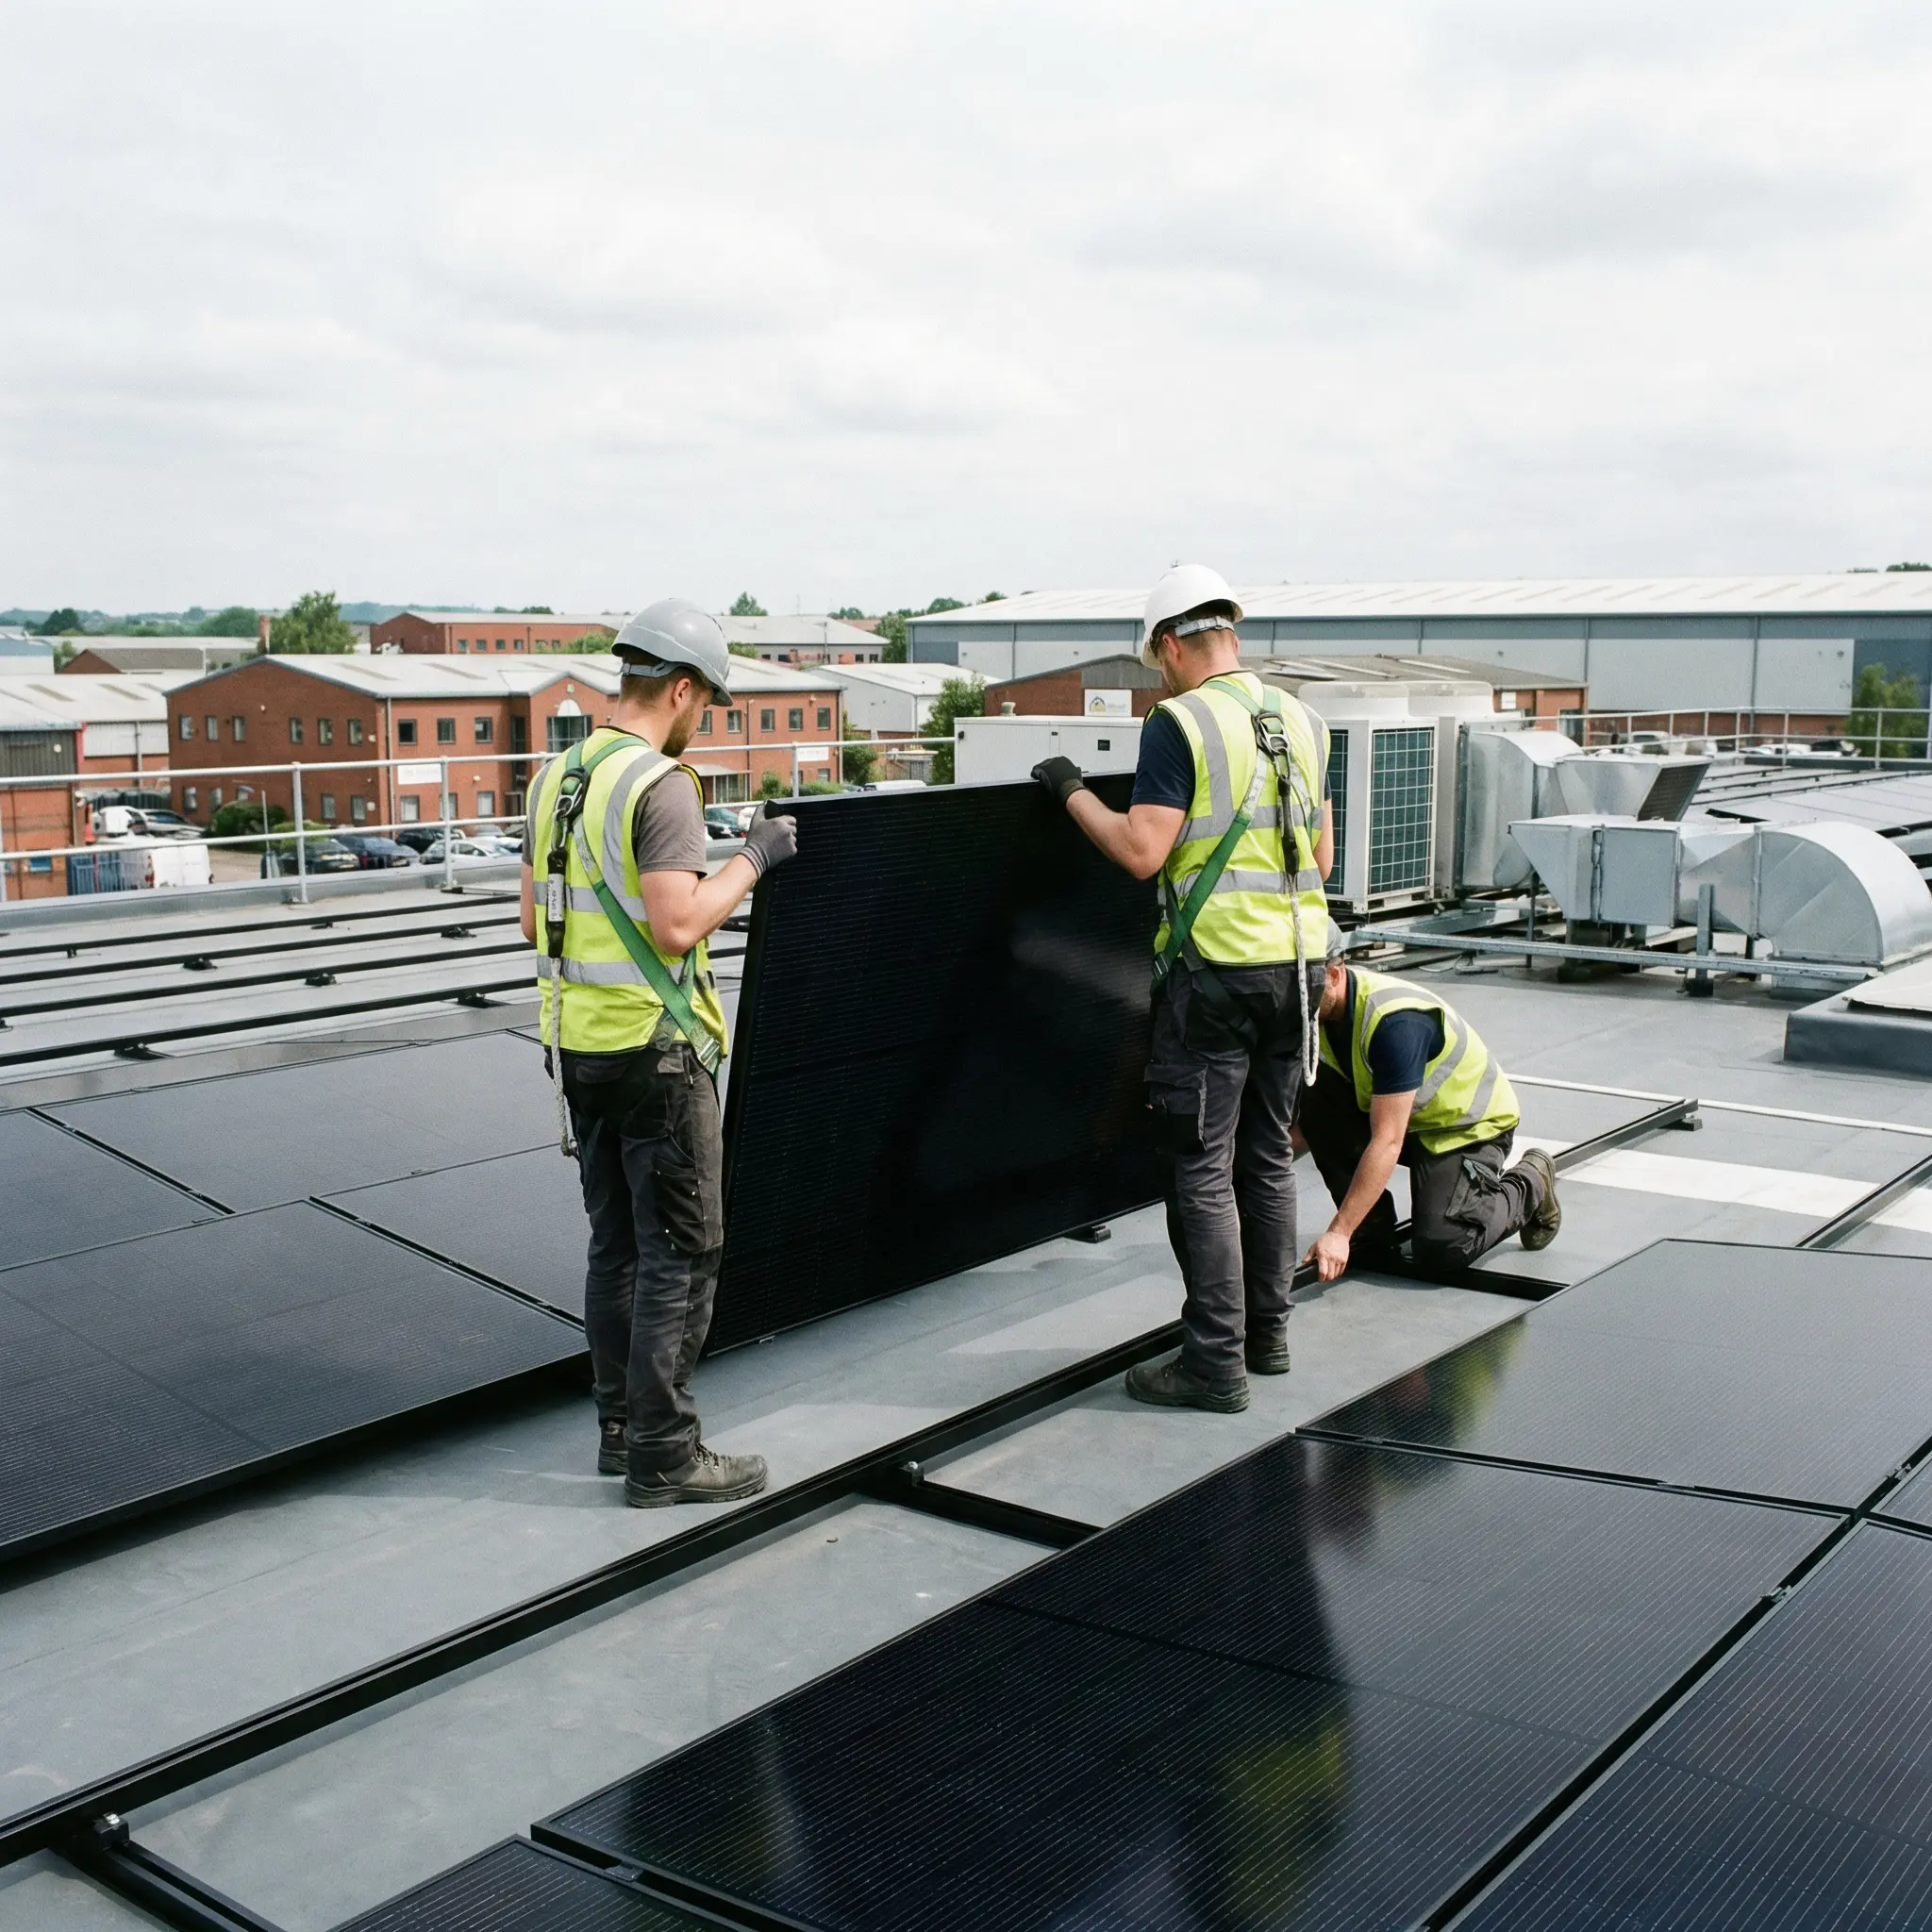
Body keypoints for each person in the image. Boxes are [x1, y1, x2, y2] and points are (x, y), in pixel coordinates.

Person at [1033, 563, 1333, 1415]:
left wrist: (1070, 794)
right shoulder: (1302, 720)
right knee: (1269, 1159)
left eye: (1153, 660)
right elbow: (1319, 861)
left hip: (1217, 978)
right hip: (1301, 969)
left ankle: (1213, 1362)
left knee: (1201, 1172)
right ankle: (1268, 1335)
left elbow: (1141, 852)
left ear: (1170, 644)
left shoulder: (1179, 723)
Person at [520, 598, 798, 1507]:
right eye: (706, 704)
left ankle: (618, 1428)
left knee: (617, 1248)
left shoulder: (556, 776)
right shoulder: (661, 785)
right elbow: (677, 924)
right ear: (678, 688)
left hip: (579, 1047)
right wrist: (754, 858)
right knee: (685, 1248)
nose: (703, 720)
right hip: (658, 1050)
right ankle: (666, 1454)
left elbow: (534, 919)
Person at [1298, 924, 1560, 1281]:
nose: (1295, 997)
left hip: (1464, 1127)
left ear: (1333, 974)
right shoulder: (1316, 1013)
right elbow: (1307, 1125)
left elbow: (1387, 1140)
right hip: (1407, 1121)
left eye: (1304, 985)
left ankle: (1532, 1181)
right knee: (1315, 1096)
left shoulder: (1394, 1022)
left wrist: (1338, 1231)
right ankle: (1371, 1230)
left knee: (1444, 1246)